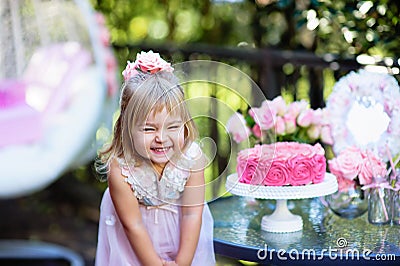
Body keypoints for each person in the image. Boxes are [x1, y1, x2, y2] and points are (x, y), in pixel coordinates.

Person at [95, 51, 216, 266]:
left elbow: (192, 215)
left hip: (185, 240)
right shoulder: (121, 170)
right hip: (135, 245)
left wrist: (182, 262)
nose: (161, 138)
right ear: (127, 128)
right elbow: (133, 225)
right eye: (149, 128)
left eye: (173, 127)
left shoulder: (192, 159)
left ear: (185, 123)